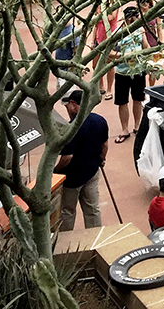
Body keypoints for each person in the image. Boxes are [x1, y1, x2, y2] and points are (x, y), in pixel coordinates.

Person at [54, 89, 109, 230]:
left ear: (73, 104)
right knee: (92, 209)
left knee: (67, 211)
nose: (67, 110)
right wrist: (101, 160)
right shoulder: (100, 120)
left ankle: (66, 242)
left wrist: (56, 170)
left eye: (67, 107)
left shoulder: (71, 127)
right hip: (92, 172)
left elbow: (67, 157)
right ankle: (96, 238)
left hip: (72, 178)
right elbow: (105, 146)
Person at [110, 6, 148, 144]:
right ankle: (124, 129)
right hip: (122, 72)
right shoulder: (118, 33)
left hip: (138, 71)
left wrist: (148, 59)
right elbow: (109, 53)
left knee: (138, 99)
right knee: (122, 102)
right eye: (133, 18)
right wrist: (122, 56)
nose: (135, 20)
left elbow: (146, 46)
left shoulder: (140, 30)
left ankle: (137, 126)